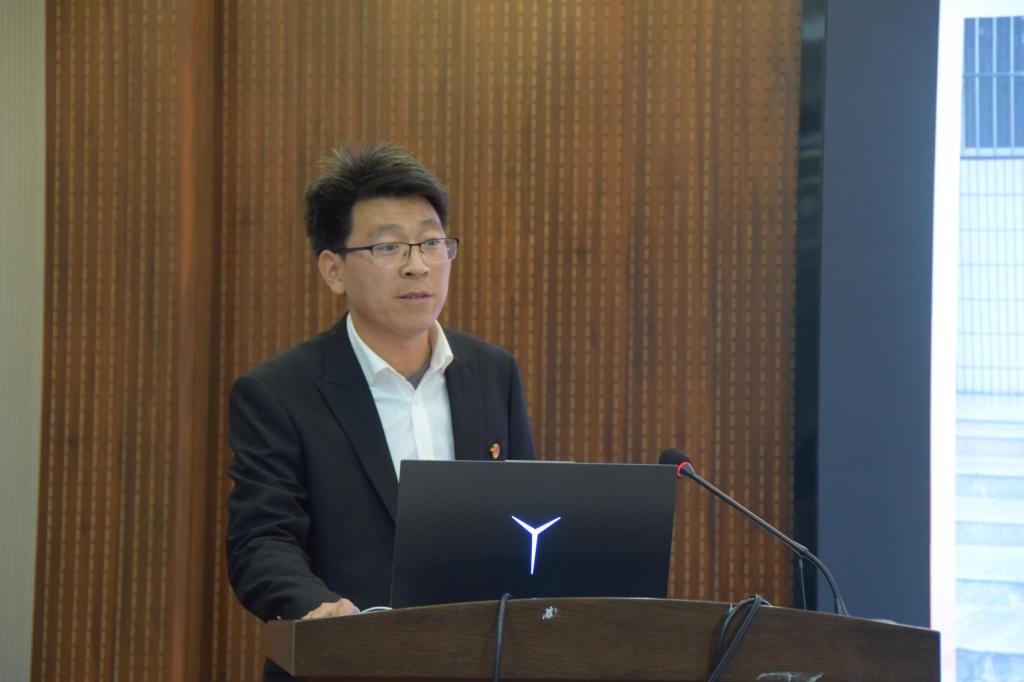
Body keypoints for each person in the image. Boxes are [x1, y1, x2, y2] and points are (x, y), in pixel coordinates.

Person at [225, 142, 537, 678]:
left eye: (432, 243)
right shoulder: (278, 392)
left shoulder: (493, 373)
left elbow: (527, 515)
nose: (418, 266)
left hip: (476, 662)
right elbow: (261, 539)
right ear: (334, 271)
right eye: (389, 248)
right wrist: (318, 608)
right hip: (344, 662)